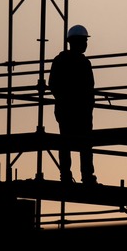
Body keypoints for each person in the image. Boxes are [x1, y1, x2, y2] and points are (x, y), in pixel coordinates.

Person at [48, 24, 98, 185]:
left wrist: (63, 99)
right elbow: (90, 86)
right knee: (85, 143)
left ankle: (66, 175)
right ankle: (87, 176)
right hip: (80, 110)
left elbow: (52, 84)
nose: (86, 44)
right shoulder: (83, 63)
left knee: (66, 142)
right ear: (78, 42)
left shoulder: (59, 60)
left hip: (65, 109)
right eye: (84, 41)